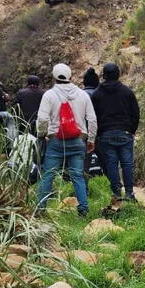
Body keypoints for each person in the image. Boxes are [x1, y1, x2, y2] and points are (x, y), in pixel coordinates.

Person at [36, 63, 97, 216]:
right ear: (70, 77)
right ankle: (83, 209)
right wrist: (91, 139)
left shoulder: (49, 95)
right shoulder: (82, 95)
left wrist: (42, 135)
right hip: (78, 141)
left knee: (48, 174)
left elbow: (42, 119)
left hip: (56, 141)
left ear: (54, 78)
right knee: (78, 176)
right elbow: (92, 119)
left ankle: (40, 209)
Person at [91, 62, 139, 201]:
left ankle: (117, 194)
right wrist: (131, 130)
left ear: (104, 75)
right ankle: (129, 194)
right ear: (118, 74)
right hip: (125, 132)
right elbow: (135, 114)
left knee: (111, 164)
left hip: (105, 135)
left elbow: (93, 117)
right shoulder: (127, 92)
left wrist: (97, 134)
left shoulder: (96, 94)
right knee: (127, 164)